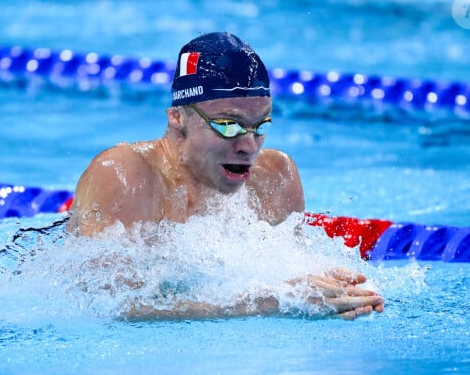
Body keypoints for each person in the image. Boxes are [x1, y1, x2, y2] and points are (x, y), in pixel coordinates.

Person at [67, 32, 384, 320]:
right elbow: (110, 307)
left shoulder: (276, 177)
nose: (249, 147)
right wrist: (274, 300)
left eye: (260, 126)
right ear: (178, 117)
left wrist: (326, 285)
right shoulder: (127, 174)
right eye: (228, 125)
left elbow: (282, 273)